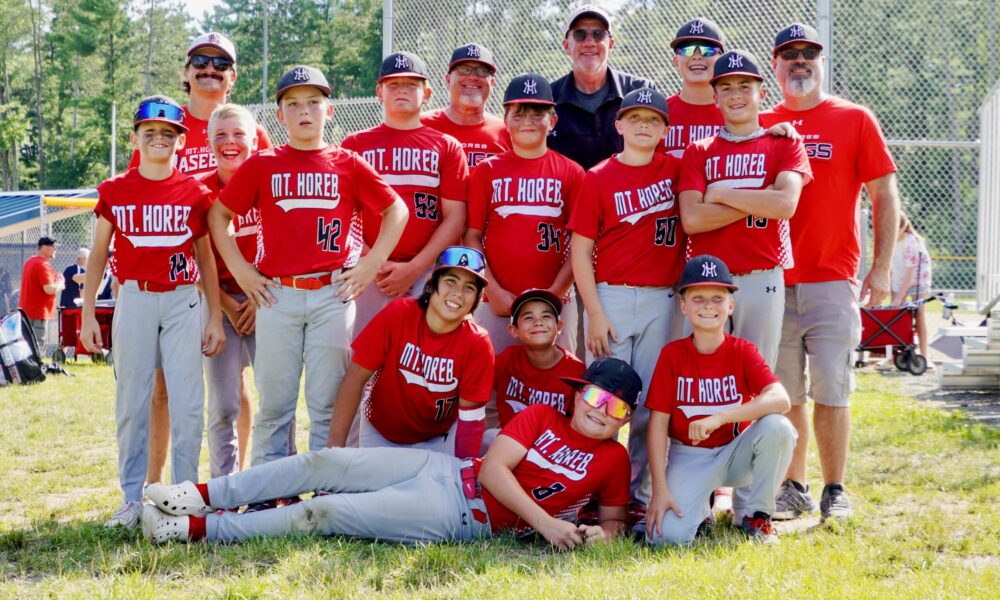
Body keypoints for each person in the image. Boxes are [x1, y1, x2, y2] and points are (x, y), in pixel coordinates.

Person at [141, 357, 640, 550]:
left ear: (624, 419)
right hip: (446, 470)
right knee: (326, 462)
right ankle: (195, 495)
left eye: (615, 407)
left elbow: (616, 520)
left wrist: (603, 535)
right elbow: (492, 469)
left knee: (325, 510)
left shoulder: (613, 459)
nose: (601, 411)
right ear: (577, 395)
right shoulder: (541, 416)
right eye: (595, 396)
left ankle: (192, 529)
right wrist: (549, 525)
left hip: (464, 515)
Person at [208, 66, 407, 486]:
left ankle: (326, 492)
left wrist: (370, 265)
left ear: (329, 110)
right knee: (275, 407)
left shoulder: (347, 163)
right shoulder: (264, 164)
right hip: (277, 294)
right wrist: (242, 271)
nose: (304, 111)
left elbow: (397, 211)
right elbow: (218, 216)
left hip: (332, 292)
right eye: (293, 104)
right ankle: (265, 492)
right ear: (279, 115)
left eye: (314, 102)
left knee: (327, 405)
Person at [760, 23, 900, 522]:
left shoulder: (854, 118)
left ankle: (835, 488)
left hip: (831, 277)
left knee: (831, 388)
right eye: (789, 55)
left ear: (821, 62)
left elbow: (883, 194)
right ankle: (793, 485)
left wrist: (880, 266)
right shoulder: (759, 121)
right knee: (786, 390)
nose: (800, 61)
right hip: (773, 278)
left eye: (808, 54)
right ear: (774, 66)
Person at [79, 95, 225, 529]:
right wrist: (88, 313)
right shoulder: (115, 189)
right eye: (150, 132)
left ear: (181, 141)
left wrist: (215, 315)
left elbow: (206, 259)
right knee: (131, 399)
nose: (159, 138)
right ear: (135, 138)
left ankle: (185, 492)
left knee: (187, 400)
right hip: (135, 297)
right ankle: (130, 497)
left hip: (183, 299)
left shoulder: (195, 191)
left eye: (169, 132)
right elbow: (101, 253)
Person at [137, 32, 274, 488]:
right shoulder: (167, 126)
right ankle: (155, 487)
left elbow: (274, 210)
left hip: (247, 281)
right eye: (200, 60)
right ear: (185, 71)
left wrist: (254, 286)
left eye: (220, 63)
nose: (209, 69)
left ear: (232, 77)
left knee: (236, 388)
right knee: (164, 387)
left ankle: (240, 481)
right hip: (183, 283)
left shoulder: (247, 129)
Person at [570, 87, 684, 519]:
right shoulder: (598, 176)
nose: (643, 125)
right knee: (601, 398)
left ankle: (636, 496)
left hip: (664, 298)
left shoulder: (676, 169)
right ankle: (591, 489)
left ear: (665, 130)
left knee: (651, 400)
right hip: (612, 296)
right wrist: (594, 312)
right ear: (617, 125)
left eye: (653, 119)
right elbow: (581, 250)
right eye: (634, 117)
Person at [644, 254, 795, 545]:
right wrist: (659, 490)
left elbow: (781, 399)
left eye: (717, 297)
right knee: (665, 539)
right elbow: (657, 424)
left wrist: (721, 418)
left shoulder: (742, 351)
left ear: (731, 305)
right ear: (683, 305)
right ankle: (701, 510)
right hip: (689, 455)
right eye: (698, 298)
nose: (708, 306)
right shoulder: (672, 355)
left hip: (735, 451)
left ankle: (758, 517)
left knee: (779, 427)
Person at [678, 49, 811, 369]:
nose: (735, 95)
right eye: (726, 88)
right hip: (707, 280)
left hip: (761, 274)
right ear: (715, 97)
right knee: (703, 373)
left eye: (744, 86)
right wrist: (760, 197)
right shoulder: (700, 150)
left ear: (761, 93)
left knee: (756, 373)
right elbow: (693, 219)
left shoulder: (784, 143)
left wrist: (722, 193)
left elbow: (784, 204)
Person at [343, 52, 469, 334]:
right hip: (367, 272)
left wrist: (414, 268)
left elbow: (455, 218)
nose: (402, 90)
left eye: (411, 84)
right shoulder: (355, 144)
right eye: (393, 84)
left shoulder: (446, 146)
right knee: (363, 359)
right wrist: (374, 263)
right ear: (379, 92)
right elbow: (342, 216)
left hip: (427, 271)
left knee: (421, 359)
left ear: (426, 92)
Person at [326, 246, 493, 458]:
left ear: (478, 297)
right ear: (432, 283)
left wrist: (465, 469)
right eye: (450, 281)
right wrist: (334, 450)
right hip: (380, 431)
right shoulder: (398, 314)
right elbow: (355, 378)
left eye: (469, 288)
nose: (458, 293)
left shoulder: (476, 341)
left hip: (438, 439)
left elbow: (471, 417)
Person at [464, 73, 583, 362]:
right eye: (518, 113)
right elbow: (472, 235)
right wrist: (491, 288)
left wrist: (555, 293)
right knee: (490, 380)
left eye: (537, 113)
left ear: (552, 121)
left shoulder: (572, 172)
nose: (527, 121)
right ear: (505, 120)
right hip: (497, 300)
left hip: (556, 301)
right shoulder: (486, 171)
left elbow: (580, 243)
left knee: (556, 377)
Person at [199, 104, 266, 477]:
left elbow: (289, 246)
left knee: (276, 400)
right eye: (221, 135)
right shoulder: (201, 192)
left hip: (269, 299)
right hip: (217, 300)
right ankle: (223, 485)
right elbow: (194, 262)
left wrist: (258, 297)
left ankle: (274, 482)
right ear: (209, 143)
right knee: (224, 403)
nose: (230, 142)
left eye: (239, 134)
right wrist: (223, 305)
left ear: (254, 139)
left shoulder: (272, 180)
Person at [548, 4, 654, 170]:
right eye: (580, 34)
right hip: (569, 195)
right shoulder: (548, 98)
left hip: (625, 193)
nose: (589, 42)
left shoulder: (640, 92)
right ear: (566, 45)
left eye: (598, 34)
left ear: (611, 44)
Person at [488, 288, 585, 449]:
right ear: (514, 330)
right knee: (488, 438)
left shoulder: (575, 371)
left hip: (554, 451)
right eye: (528, 317)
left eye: (546, 316)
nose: (538, 322)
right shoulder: (508, 359)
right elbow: (474, 375)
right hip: (513, 443)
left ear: (559, 326)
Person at [422, 43, 512, 167]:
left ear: (492, 83)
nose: (473, 77)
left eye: (482, 71)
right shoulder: (422, 125)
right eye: (464, 69)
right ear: (448, 80)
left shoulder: (507, 132)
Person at [662, 18, 726, 158]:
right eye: (687, 50)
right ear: (675, 62)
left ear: (721, 60)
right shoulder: (658, 113)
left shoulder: (736, 112)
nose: (697, 56)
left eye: (707, 50)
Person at [889, 212, 933, 367]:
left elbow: (910, 275)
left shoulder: (911, 244)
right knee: (895, 316)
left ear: (904, 227)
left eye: (896, 229)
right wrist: (895, 295)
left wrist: (898, 297)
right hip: (898, 278)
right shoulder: (889, 242)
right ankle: (893, 356)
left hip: (918, 279)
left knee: (919, 314)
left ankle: (924, 356)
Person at [19, 236, 64, 353]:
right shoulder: (43, 264)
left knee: (26, 344)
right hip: (38, 312)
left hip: (26, 310)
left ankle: (26, 368)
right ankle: (36, 369)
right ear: (44, 248)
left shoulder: (30, 261)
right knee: (38, 344)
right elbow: (49, 289)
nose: (56, 250)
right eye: (54, 247)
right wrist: (60, 283)